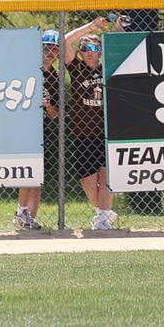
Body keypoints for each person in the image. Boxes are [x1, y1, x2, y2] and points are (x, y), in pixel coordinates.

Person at [63, 15, 123, 230]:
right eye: (85, 47)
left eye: (94, 47)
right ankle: (103, 212)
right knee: (87, 180)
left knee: (106, 176)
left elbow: (123, 48)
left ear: (100, 52)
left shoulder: (107, 68)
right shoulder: (77, 69)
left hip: (106, 131)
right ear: (80, 52)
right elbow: (64, 42)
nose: (90, 52)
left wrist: (115, 30)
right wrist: (92, 27)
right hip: (83, 132)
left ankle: (103, 219)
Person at [13, 29, 61, 231]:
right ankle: (21, 210)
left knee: (37, 175)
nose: (51, 51)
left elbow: (55, 114)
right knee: (27, 170)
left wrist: (47, 105)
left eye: (55, 47)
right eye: (47, 46)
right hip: (23, 127)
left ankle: (29, 216)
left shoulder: (54, 77)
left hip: (40, 129)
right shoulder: (27, 68)